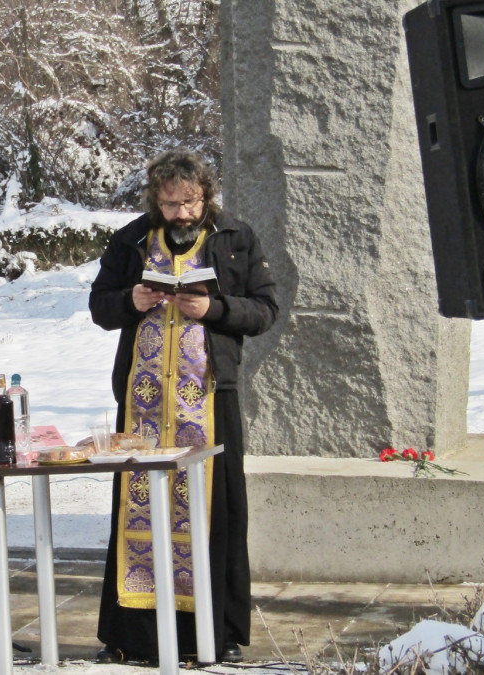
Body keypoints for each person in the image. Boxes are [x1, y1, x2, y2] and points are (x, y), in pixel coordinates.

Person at [88, 149, 278, 664]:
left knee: (216, 513)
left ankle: (218, 636)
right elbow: (99, 306)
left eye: (189, 202)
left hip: (211, 401)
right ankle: (133, 636)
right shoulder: (131, 239)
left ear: (205, 195)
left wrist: (212, 309)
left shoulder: (236, 238)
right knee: (140, 511)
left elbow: (265, 310)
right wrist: (132, 301)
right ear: (156, 200)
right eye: (170, 204)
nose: (181, 214)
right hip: (143, 405)